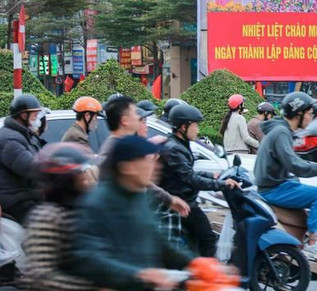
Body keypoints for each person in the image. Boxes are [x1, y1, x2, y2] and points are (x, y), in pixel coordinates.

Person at [71, 135, 197, 290]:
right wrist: (140, 275)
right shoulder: (97, 203)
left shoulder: (141, 197)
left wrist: (195, 263)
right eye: (150, 160)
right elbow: (90, 257)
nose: (157, 167)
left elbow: (159, 239)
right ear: (127, 166)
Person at [254, 92, 317, 261]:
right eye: (309, 113)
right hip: (273, 189)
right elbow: (295, 165)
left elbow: (294, 161)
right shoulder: (281, 133)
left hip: (277, 184)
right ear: (299, 114)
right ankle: (312, 244)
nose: (311, 117)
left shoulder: (282, 131)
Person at [160, 104, 240, 257]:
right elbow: (190, 179)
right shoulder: (175, 148)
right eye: (195, 125)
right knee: (209, 239)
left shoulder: (180, 145)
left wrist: (213, 176)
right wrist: (221, 185)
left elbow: (187, 172)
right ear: (183, 127)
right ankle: (208, 276)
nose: (197, 129)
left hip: (185, 200)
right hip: (182, 203)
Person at [22, 143, 96, 291]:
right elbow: (40, 276)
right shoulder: (47, 217)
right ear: (67, 178)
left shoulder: (83, 209)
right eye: (81, 171)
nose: (86, 177)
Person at [0, 94, 45, 221]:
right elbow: (31, 167)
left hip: (26, 196)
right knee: (49, 222)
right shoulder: (9, 139)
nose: (38, 120)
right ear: (24, 116)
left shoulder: (24, 135)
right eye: (35, 116)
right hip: (15, 200)